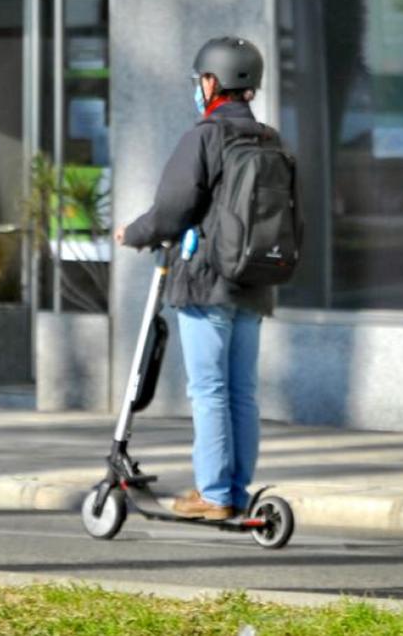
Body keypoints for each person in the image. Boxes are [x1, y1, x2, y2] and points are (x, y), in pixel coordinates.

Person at [114, 36, 279, 521]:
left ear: (212, 81)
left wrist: (135, 232)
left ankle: (213, 494)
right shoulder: (270, 139)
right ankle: (236, 489)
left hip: (207, 281)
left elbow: (173, 208)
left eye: (199, 80)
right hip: (254, 281)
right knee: (241, 391)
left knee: (208, 391)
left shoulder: (204, 136)